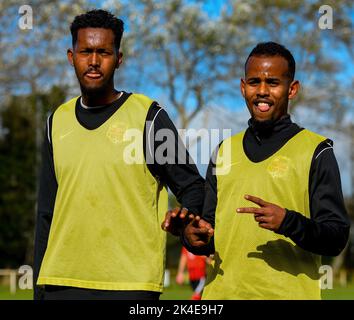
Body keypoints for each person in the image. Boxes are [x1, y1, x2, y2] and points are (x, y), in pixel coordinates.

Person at [33, 9, 204, 300]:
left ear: (119, 59)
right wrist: (38, 291)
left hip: (130, 285)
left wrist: (186, 220)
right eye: (86, 51)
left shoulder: (148, 117)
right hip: (60, 281)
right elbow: (46, 213)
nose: (94, 61)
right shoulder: (56, 122)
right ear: (71, 56)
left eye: (104, 52)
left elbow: (192, 186)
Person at [163, 42, 350, 299]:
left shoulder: (316, 151)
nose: (262, 91)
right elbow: (211, 234)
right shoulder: (223, 151)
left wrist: (288, 222)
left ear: (292, 89)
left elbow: (336, 237)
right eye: (254, 82)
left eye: (273, 83)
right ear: (243, 87)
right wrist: (191, 236)